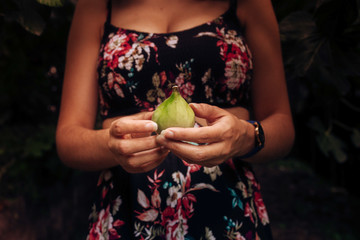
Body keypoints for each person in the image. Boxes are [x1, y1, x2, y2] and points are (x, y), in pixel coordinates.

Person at [56, 0, 295, 239]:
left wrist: (246, 137)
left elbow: (283, 128)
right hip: (128, 208)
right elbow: (68, 141)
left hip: (225, 209)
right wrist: (112, 144)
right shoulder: (97, 4)